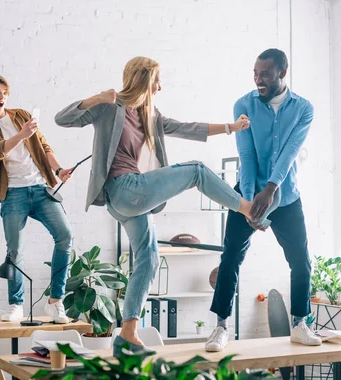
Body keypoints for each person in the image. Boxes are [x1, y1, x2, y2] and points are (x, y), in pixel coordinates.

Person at [55, 56, 256, 356]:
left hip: (131, 201)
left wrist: (231, 127)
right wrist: (97, 97)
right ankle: (247, 208)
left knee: (148, 258)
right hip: (123, 190)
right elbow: (63, 118)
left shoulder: (149, 114)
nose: (160, 87)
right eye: (156, 81)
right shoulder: (110, 106)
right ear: (142, 80)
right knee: (197, 171)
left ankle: (128, 334)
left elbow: (186, 128)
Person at [205, 48, 321, 352]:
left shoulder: (303, 108)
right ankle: (221, 327)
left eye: (265, 74)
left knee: (301, 261)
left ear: (282, 72)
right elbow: (246, 154)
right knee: (230, 258)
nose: (259, 80)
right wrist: (247, 202)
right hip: (247, 189)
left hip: (286, 195)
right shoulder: (243, 104)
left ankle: (300, 324)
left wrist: (270, 189)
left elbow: (289, 153)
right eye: (256, 74)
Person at [0, 73, 73, 323]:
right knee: (15, 251)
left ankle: (55, 301)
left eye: (4, 92)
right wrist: (21, 136)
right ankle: (16, 304)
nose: (1, 96)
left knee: (65, 236)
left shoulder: (22, 116)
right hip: (13, 193)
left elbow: (44, 147)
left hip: (40, 188)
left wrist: (58, 170)